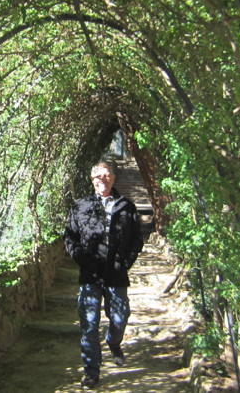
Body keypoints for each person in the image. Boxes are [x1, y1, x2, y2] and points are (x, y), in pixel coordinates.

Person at [64, 161, 144, 389]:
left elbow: (136, 240)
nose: (103, 179)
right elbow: (70, 238)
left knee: (120, 317)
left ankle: (113, 342)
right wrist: (82, 260)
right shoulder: (80, 206)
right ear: (92, 180)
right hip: (90, 274)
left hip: (116, 273)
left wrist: (124, 263)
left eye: (107, 175)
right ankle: (91, 371)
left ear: (114, 178)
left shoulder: (126, 206)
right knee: (89, 324)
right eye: (98, 176)